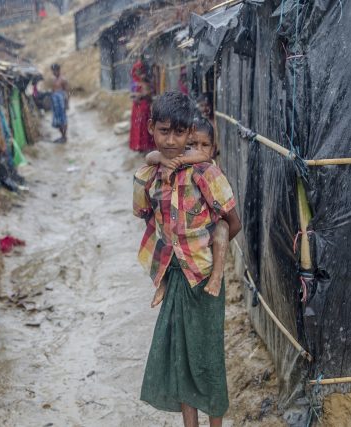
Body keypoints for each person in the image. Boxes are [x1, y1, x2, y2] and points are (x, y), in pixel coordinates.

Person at [133, 92, 242, 426]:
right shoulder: (147, 177)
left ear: (188, 132)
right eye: (163, 131)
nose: (171, 140)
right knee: (180, 359)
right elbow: (144, 214)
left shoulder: (207, 175)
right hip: (176, 275)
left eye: (178, 134)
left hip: (204, 277)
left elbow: (232, 222)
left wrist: (208, 253)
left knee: (208, 359)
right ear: (151, 128)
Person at [145, 117, 229, 308]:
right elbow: (149, 157)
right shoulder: (174, 165)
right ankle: (163, 281)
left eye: (204, 144)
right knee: (160, 229)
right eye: (192, 144)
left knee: (222, 227)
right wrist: (163, 158)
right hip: (178, 234)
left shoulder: (207, 170)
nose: (198, 149)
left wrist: (176, 162)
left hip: (205, 234)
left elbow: (203, 157)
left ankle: (216, 275)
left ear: (214, 148)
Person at [129, 56, 156, 152]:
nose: (138, 72)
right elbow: (131, 94)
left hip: (144, 106)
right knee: (137, 125)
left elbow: (150, 93)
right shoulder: (134, 82)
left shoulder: (145, 80)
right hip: (137, 107)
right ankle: (138, 145)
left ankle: (146, 145)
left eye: (140, 70)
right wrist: (136, 96)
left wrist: (142, 95)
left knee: (144, 125)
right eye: (136, 70)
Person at [51, 63, 69, 143]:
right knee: (57, 121)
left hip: (61, 103)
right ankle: (62, 136)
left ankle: (64, 137)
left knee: (63, 120)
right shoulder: (54, 80)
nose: (54, 73)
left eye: (55, 71)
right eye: (53, 71)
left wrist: (66, 104)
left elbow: (67, 92)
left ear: (58, 70)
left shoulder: (63, 80)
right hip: (56, 104)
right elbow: (53, 91)